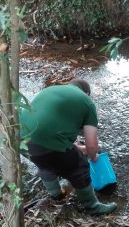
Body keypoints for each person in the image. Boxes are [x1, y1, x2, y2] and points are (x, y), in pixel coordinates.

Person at [20, 79, 117, 215]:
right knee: (79, 166)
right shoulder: (86, 102)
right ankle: (92, 206)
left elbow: (50, 126)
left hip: (21, 140)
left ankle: (56, 194)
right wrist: (93, 156)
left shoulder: (51, 90)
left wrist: (77, 147)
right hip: (47, 141)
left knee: (45, 164)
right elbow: (91, 143)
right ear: (86, 92)